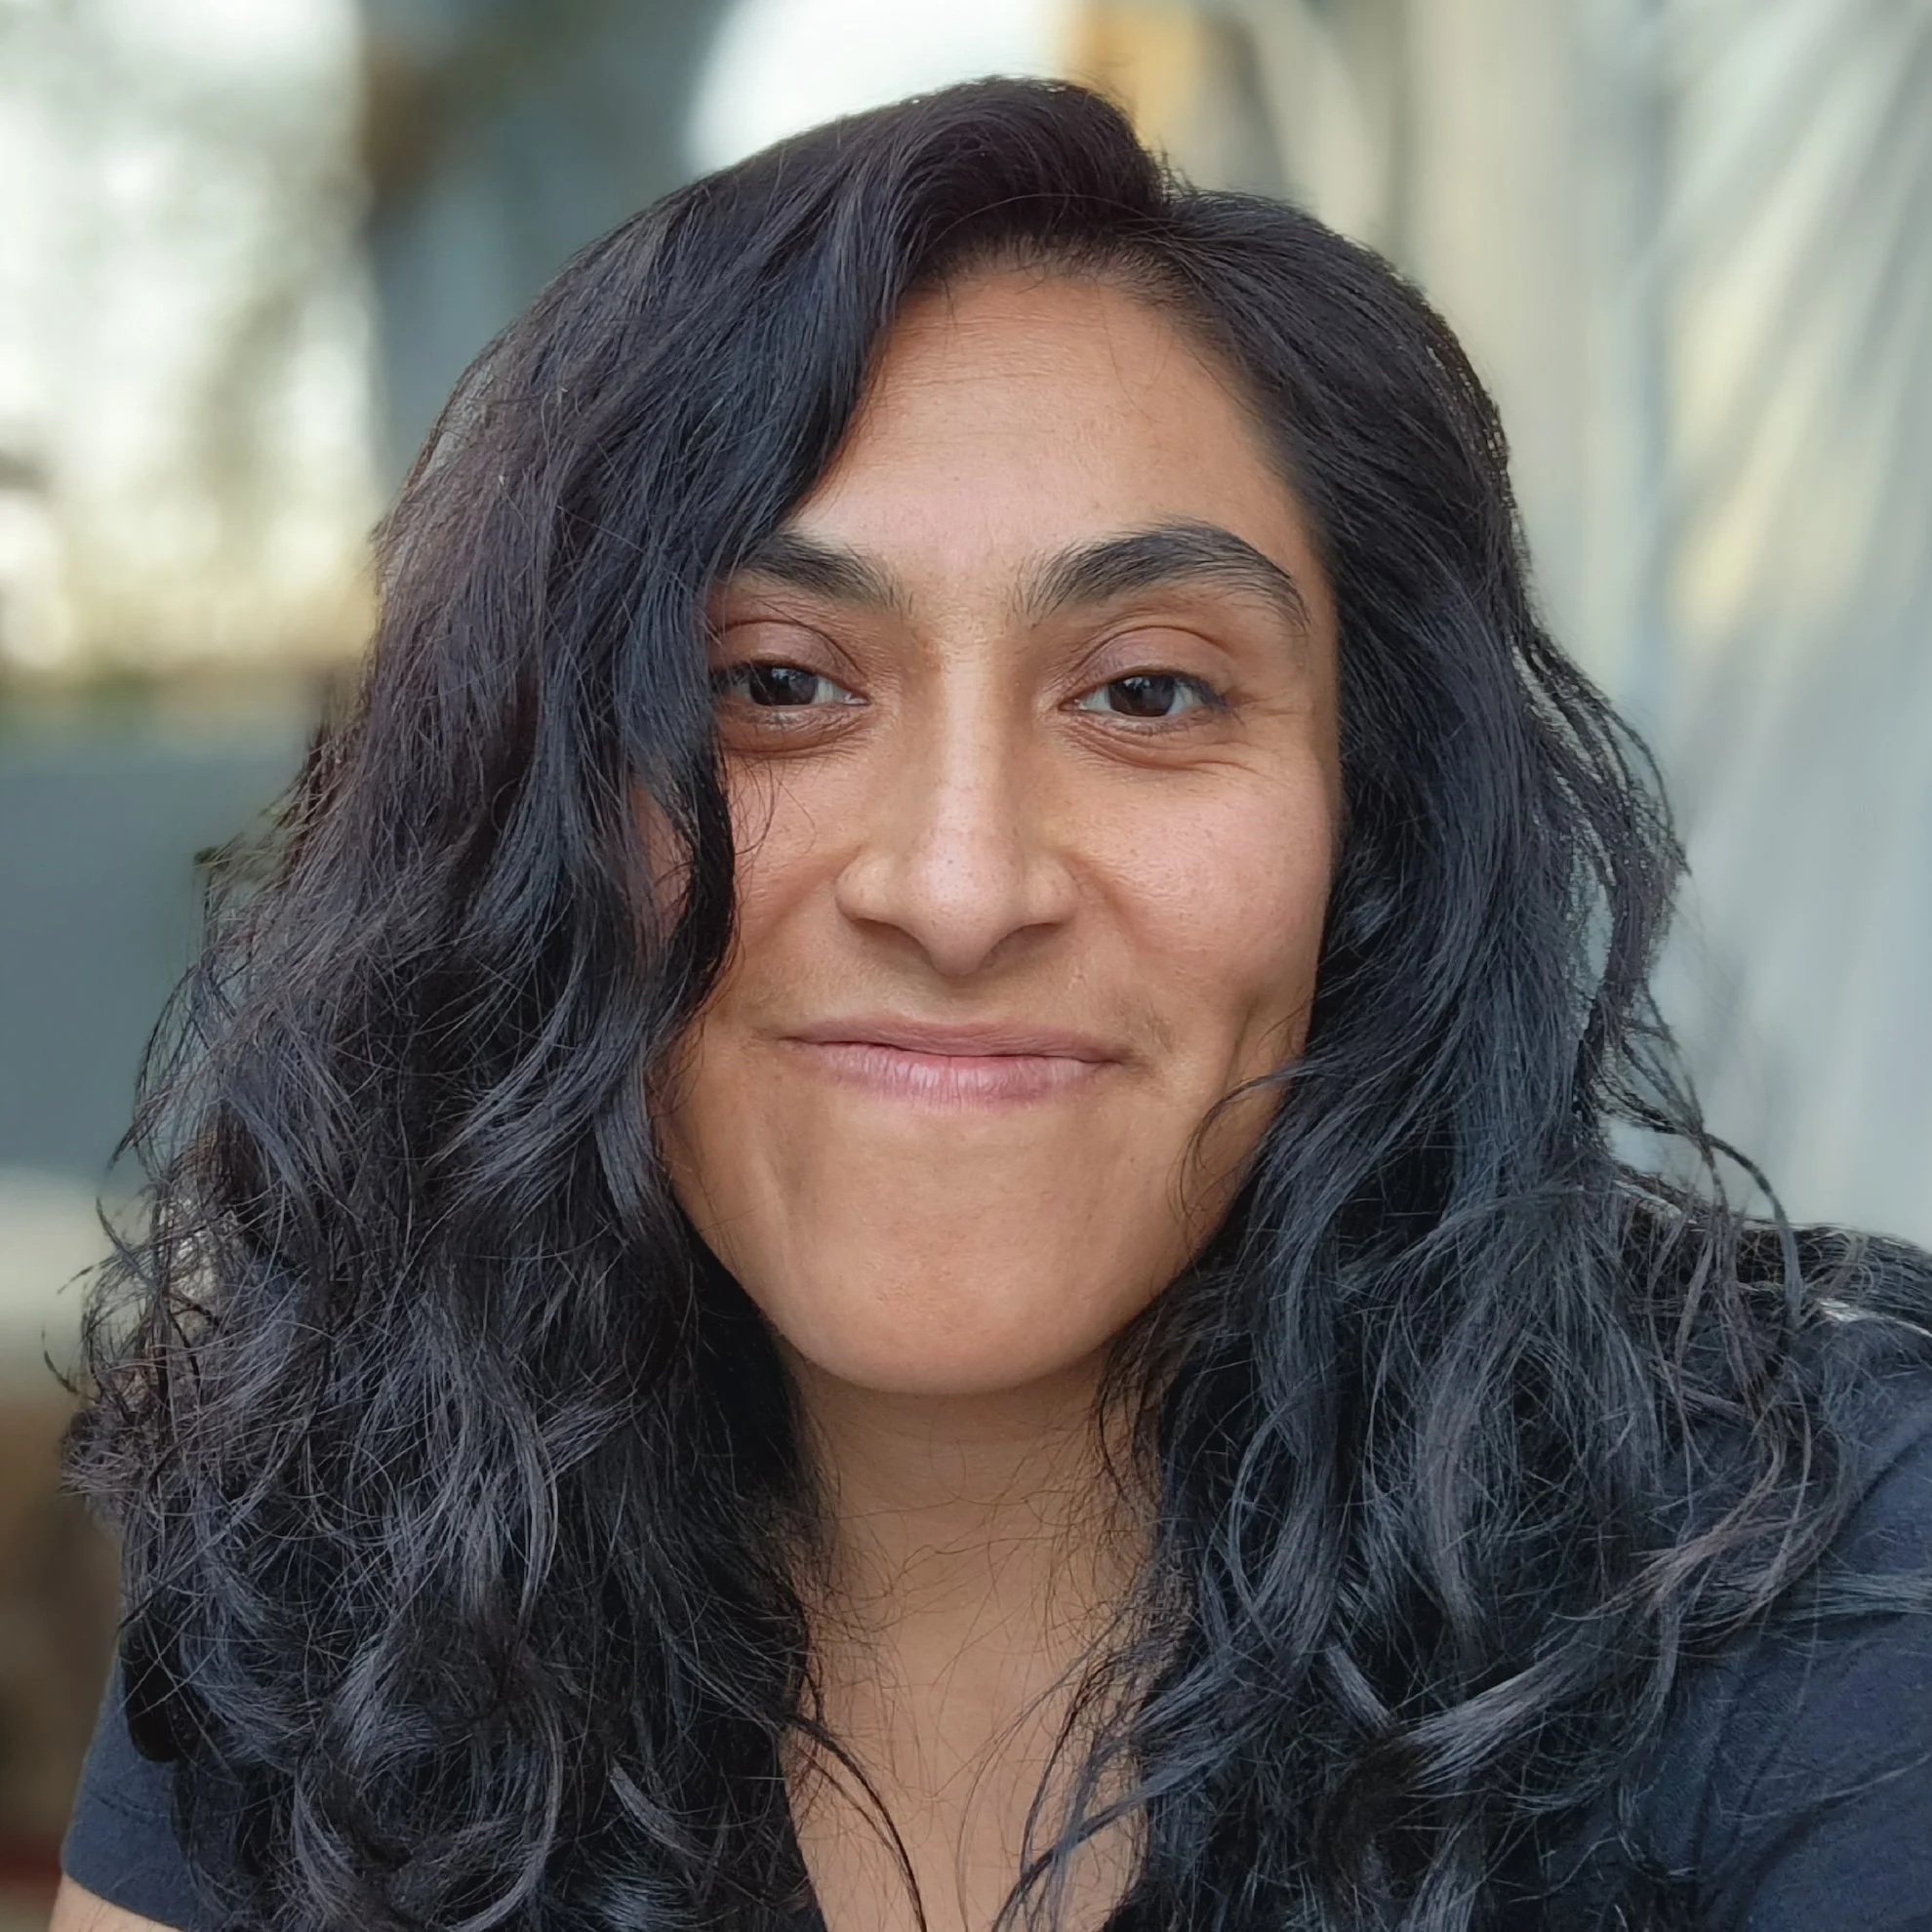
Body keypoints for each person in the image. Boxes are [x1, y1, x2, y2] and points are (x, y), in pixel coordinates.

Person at [51, 78, 1932, 1932]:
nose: (958, 888)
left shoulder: (1833, 1586)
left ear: (1377, 828)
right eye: (776, 684)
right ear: (534, 819)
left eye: (1148, 694)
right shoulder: (332, 1582)